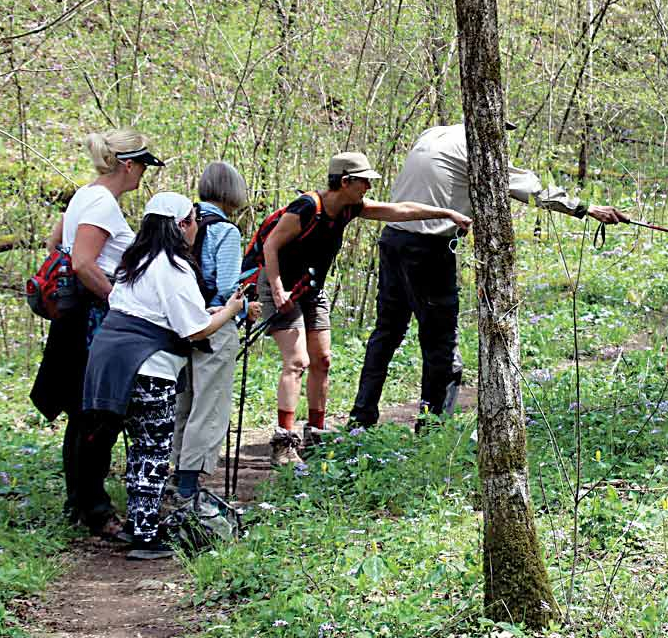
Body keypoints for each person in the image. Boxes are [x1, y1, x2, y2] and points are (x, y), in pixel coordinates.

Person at [348, 122, 627, 431]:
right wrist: (586, 208)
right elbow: (526, 188)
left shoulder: (434, 133)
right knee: (440, 343)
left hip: (393, 240)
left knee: (386, 334)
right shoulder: (477, 147)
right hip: (426, 250)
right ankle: (431, 429)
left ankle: (361, 419)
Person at [259, 151, 472, 466]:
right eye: (363, 182)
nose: (368, 188)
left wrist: (447, 214)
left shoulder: (349, 209)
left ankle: (315, 434)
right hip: (282, 287)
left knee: (323, 360)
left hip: (311, 289)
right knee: (297, 361)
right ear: (345, 181)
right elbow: (271, 245)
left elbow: (401, 210)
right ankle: (283, 442)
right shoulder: (306, 208)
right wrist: (277, 290)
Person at [82, 192, 247, 560]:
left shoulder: (133, 261)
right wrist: (232, 309)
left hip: (110, 361)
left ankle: (138, 523)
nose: (197, 228)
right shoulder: (173, 266)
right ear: (183, 225)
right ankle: (144, 535)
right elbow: (195, 329)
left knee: (137, 446)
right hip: (146, 365)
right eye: (194, 220)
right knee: (151, 448)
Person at [30, 129, 162, 542]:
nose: (143, 174)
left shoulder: (85, 195)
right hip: (93, 322)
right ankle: (96, 510)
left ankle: (81, 502)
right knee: (97, 415)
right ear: (128, 164)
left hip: (79, 317)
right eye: (142, 165)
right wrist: (121, 305)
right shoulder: (102, 203)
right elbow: (85, 263)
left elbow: (56, 246)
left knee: (83, 412)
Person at [171, 162, 248, 500]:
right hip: (214, 326)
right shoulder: (226, 232)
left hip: (178, 324)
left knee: (183, 403)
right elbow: (230, 287)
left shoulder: (180, 222)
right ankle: (190, 485)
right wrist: (243, 307)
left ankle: (172, 475)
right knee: (210, 404)